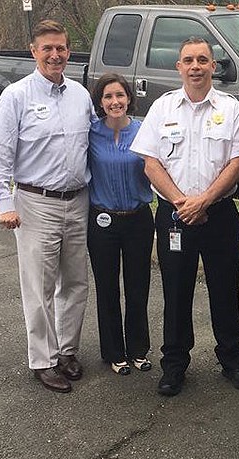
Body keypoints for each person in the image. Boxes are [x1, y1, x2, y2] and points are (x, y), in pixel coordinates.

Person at [129, 37, 239, 396]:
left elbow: (238, 164)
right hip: (174, 215)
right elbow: (150, 164)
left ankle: (233, 360)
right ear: (179, 67)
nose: (196, 66)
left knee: (224, 289)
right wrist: (184, 202)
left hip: (218, 214)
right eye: (189, 60)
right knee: (176, 291)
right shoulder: (163, 108)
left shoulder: (231, 108)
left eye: (203, 59)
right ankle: (174, 366)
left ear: (213, 66)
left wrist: (204, 201)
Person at [0, 20, 95, 393]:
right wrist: (3, 202)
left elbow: (91, 147)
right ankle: (43, 360)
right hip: (35, 203)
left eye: (61, 48)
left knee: (76, 283)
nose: (55, 55)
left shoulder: (80, 95)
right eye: (47, 48)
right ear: (33, 51)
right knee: (40, 286)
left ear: (68, 50)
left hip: (78, 201)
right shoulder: (16, 96)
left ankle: (67, 351)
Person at [87, 73, 154, 376]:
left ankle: (138, 350)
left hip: (138, 219)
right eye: (108, 97)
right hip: (102, 221)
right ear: (100, 102)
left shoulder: (144, 131)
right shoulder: (90, 134)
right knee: (107, 287)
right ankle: (114, 352)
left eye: (120, 96)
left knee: (138, 286)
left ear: (129, 98)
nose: (115, 102)